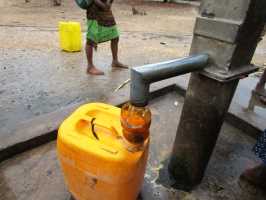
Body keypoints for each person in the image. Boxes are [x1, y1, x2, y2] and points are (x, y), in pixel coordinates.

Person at [86, 0, 127, 75]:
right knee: (91, 38)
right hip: (94, 11)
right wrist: (103, 5)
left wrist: (108, 3)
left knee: (115, 36)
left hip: (106, 9)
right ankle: (90, 67)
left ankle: (115, 61)